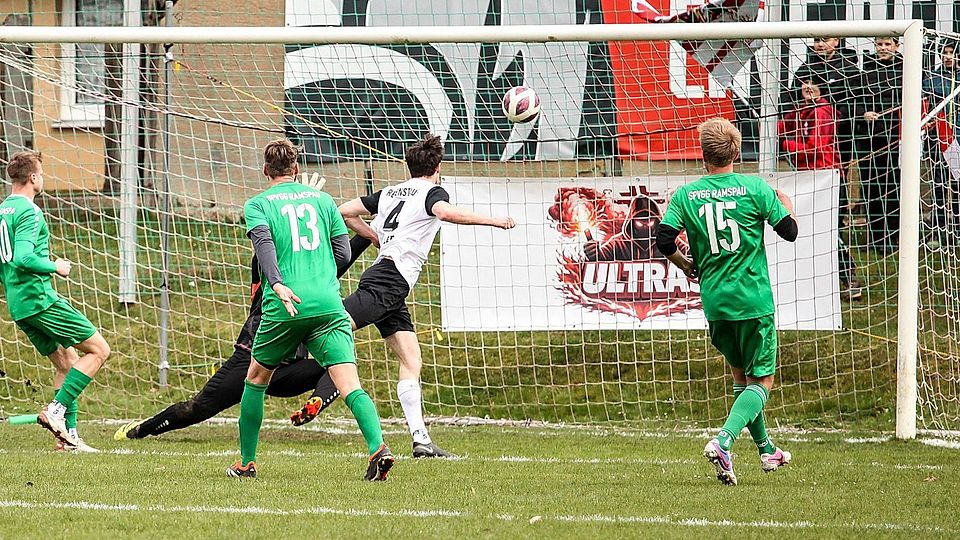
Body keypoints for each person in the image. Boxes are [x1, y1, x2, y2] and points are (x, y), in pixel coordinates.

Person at [310, 133, 515, 458]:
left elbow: (344, 211)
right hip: (388, 283)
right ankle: (299, 370)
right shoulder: (433, 192)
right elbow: (445, 212)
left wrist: (376, 236)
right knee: (333, 327)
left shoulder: (391, 191)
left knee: (411, 359)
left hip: (390, 283)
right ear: (437, 166)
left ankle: (421, 440)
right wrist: (494, 220)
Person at [228, 139, 392, 481]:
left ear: (265, 170)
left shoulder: (258, 204)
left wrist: (278, 283)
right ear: (296, 169)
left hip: (286, 304)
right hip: (329, 303)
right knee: (349, 384)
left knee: (256, 379)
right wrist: (319, 276)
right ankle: (378, 448)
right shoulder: (323, 201)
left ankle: (246, 464)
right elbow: (344, 254)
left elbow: (264, 247)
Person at [655, 118, 798, 485]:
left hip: (716, 302)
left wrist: (686, 264)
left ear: (703, 157)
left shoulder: (687, 195)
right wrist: (788, 206)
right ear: (737, 152)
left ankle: (767, 450)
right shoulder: (754, 188)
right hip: (753, 301)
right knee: (762, 382)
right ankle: (724, 441)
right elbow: (790, 232)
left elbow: (664, 238)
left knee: (742, 378)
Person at [112, 253, 343, 441]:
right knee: (197, 408)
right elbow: (341, 258)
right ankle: (142, 429)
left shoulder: (314, 273)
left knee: (337, 368)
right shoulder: (269, 269)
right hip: (253, 359)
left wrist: (369, 230)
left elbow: (341, 259)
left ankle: (317, 402)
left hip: (280, 367)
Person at [0, 151, 111, 452]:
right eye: (42, 173)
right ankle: (55, 411)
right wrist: (55, 266)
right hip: (39, 299)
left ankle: (68, 439)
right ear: (33, 177)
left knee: (67, 361)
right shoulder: (29, 211)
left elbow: (6, 262)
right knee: (100, 350)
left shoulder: (3, 210)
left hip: (20, 305)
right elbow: (22, 257)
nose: (43, 179)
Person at [779, 75, 863, 301]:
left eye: (812, 83)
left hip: (828, 180)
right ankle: (821, 279)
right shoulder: (801, 110)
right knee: (814, 231)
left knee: (829, 232)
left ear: (821, 87)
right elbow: (782, 125)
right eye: (803, 83)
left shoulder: (822, 112)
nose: (807, 87)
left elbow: (815, 147)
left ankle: (849, 278)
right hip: (809, 179)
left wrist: (786, 143)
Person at [855, 37, 903, 253]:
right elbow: (854, 101)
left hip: (897, 141)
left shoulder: (907, 69)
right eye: (879, 45)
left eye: (887, 45)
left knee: (893, 189)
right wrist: (863, 114)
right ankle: (876, 238)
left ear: (896, 46)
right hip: (870, 141)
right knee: (871, 189)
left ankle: (895, 237)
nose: (883, 49)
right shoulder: (865, 71)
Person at [923, 40, 960, 245]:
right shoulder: (933, 79)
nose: (948, 57)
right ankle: (938, 231)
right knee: (939, 186)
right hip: (939, 142)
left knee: (957, 188)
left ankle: (957, 230)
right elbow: (925, 106)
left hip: (959, 141)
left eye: (952, 53)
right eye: (944, 53)